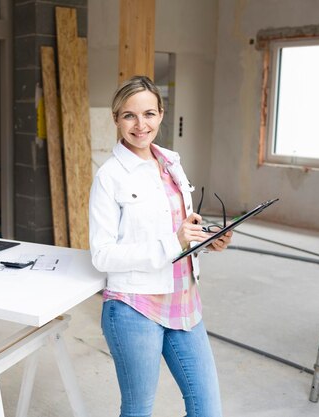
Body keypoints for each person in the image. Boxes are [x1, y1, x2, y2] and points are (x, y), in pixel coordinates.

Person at [89, 75, 233, 417]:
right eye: (129, 116)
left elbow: (177, 232)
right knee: (138, 410)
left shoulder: (171, 164)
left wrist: (205, 242)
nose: (141, 125)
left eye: (149, 114)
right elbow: (102, 254)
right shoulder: (109, 177)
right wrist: (175, 240)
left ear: (162, 114)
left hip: (183, 299)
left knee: (207, 410)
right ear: (116, 119)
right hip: (135, 307)